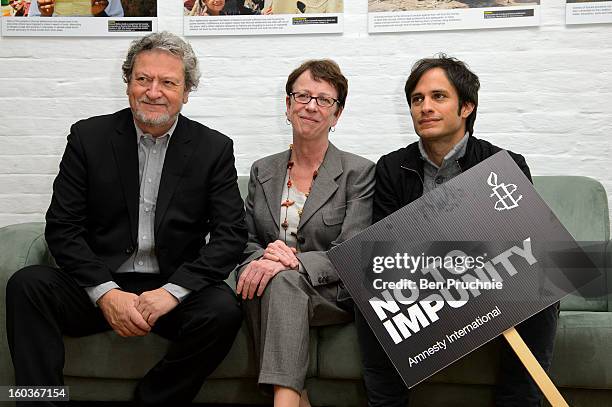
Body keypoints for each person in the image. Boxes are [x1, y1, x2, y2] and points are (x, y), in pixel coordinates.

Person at [5, 31, 247, 405]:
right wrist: (106, 294)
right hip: (99, 283)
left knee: (223, 310)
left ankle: (153, 399)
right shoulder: (88, 137)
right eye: (143, 79)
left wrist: (171, 293)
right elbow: (62, 227)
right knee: (27, 285)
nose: (153, 91)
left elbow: (230, 236)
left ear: (186, 92)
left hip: (171, 291)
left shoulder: (213, 148)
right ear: (128, 83)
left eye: (168, 82)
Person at [356, 54, 560, 407]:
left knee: (543, 281)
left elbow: (520, 243)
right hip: (419, 289)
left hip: (486, 282)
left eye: (438, 97)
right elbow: (385, 250)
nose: (425, 107)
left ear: (466, 107)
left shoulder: (505, 163)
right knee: (370, 290)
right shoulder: (392, 166)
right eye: (417, 99)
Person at [236, 59, 375, 407]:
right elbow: (247, 240)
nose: (311, 106)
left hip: (332, 292)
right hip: (275, 288)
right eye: (302, 96)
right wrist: (263, 260)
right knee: (268, 282)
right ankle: (296, 398)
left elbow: (351, 251)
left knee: (276, 281)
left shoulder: (359, 172)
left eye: (324, 99)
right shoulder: (262, 170)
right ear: (288, 105)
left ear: (337, 114)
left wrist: (291, 263)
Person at [29, 0, 123, 17]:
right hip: (54, 49)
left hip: (94, 50)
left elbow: (116, 29)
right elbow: (32, 31)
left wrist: (99, 14)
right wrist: (46, 16)